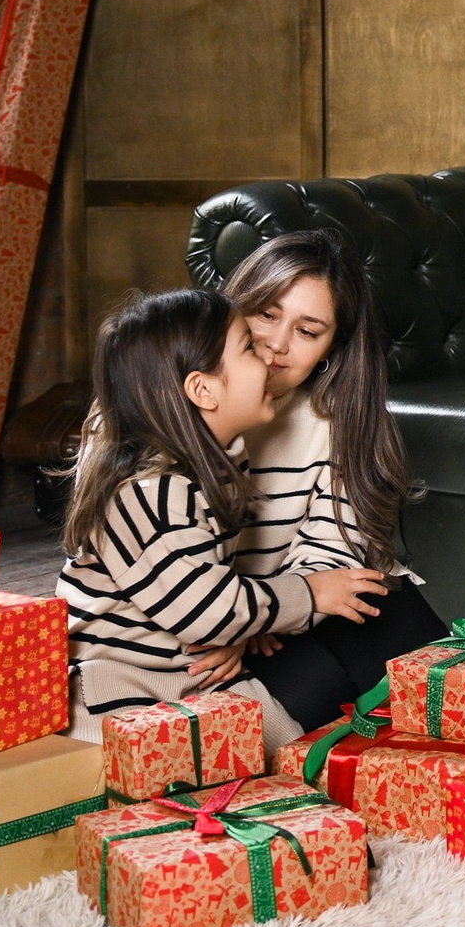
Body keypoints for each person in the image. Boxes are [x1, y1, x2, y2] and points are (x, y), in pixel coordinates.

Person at [55, 288, 387, 748]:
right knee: (328, 711)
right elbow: (207, 612)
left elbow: (208, 603)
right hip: (126, 695)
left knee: (367, 650)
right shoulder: (151, 489)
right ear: (203, 390)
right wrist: (308, 594)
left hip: (189, 676)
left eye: (308, 330)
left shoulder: (213, 467)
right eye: (250, 346)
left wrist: (247, 621)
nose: (269, 357)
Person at [182, 229, 450, 730]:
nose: (276, 345)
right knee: (323, 681)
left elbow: (336, 550)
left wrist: (265, 614)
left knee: (385, 609)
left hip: (281, 614)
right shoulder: (164, 400)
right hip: (190, 624)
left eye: (308, 331)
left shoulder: (333, 417)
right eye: (265, 315)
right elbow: (159, 564)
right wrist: (233, 620)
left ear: (331, 347)